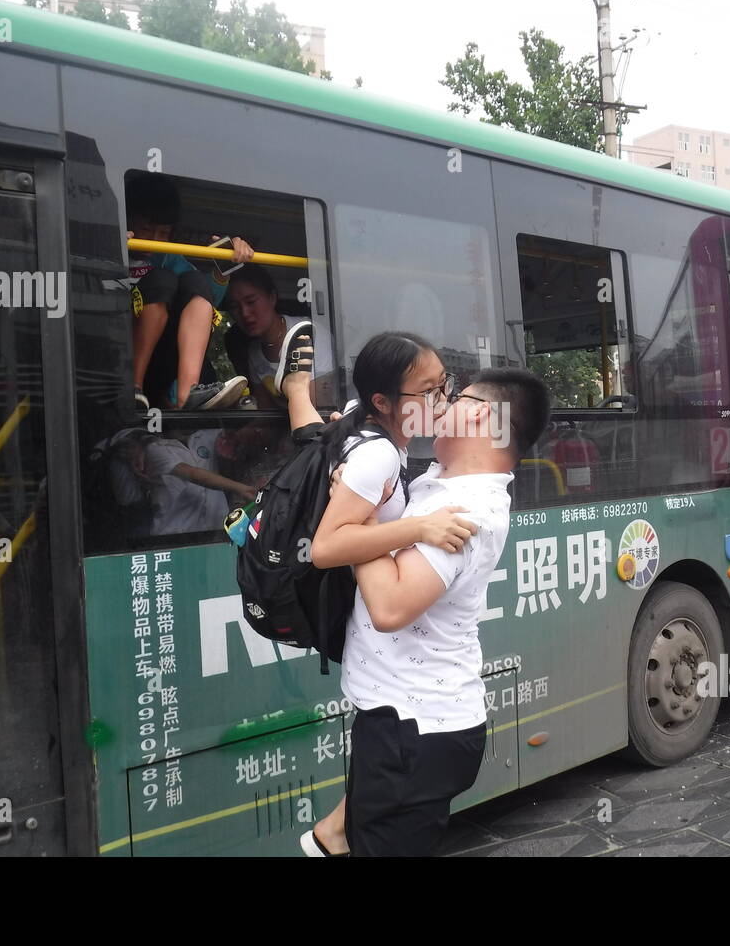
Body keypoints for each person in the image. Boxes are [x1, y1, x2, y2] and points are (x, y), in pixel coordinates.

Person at [306, 367, 551, 857]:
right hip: (407, 721)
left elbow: (391, 606)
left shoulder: (467, 510)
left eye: (453, 396)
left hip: (414, 733)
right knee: (343, 837)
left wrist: (361, 523)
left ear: (481, 413)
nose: (441, 404)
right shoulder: (441, 481)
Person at [124, 172, 253, 411]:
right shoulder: (107, 248)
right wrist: (109, 243)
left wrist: (225, 265)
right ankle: (131, 387)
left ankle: (188, 392)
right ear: (127, 220)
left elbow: (204, 296)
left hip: (159, 367)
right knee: (161, 280)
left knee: (191, 279)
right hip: (118, 358)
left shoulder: (167, 258)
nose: (153, 240)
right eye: (145, 229)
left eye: (163, 233)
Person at [222, 264, 313, 409]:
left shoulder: (308, 332)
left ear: (272, 298)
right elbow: (266, 414)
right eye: (234, 307)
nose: (244, 313)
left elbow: (323, 405)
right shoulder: (254, 353)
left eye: (251, 302)